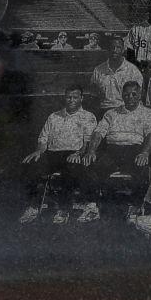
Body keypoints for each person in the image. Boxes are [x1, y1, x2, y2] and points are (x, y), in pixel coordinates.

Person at [79, 79, 151, 222]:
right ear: (122, 96)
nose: (130, 98)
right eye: (127, 95)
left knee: (142, 167)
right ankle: (92, 206)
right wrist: (91, 151)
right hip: (112, 150)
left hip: (134, 150)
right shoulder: (111, 113)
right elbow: (98, 133)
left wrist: (145, 152)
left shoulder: (148, 113)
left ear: (140, 95)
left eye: (134, 94)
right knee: (90, 164)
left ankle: (136, 207)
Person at [19, 84, 96, 224]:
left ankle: (63, 210)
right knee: (32, 163)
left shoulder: (88, 117)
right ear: (64, 98)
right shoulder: (54, 116)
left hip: (73, 153)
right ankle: (33, 207)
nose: (71, 100)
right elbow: (43, 138)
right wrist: (39, 151)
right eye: (68, 97)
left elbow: (88, 142)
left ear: (82, 98)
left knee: (70, 169)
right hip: (52, 153)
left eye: (75, 97)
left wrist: (79, 153)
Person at [89, 37, 142, 116]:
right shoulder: (98, 70)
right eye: (112, 47)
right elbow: (93, 94)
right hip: (104, 110)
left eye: (118, 47)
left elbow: (137, 96)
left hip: (125, 111)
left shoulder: (133, 71)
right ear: (108, 49)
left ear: (123, 50)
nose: (115, 50)